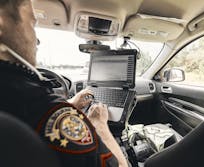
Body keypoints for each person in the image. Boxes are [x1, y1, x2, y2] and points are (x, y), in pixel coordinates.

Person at [0, 0, 128, 167]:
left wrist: (71, 104)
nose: (37, 41)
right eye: (32, 24)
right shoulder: (49, 110)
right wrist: (99, 124)